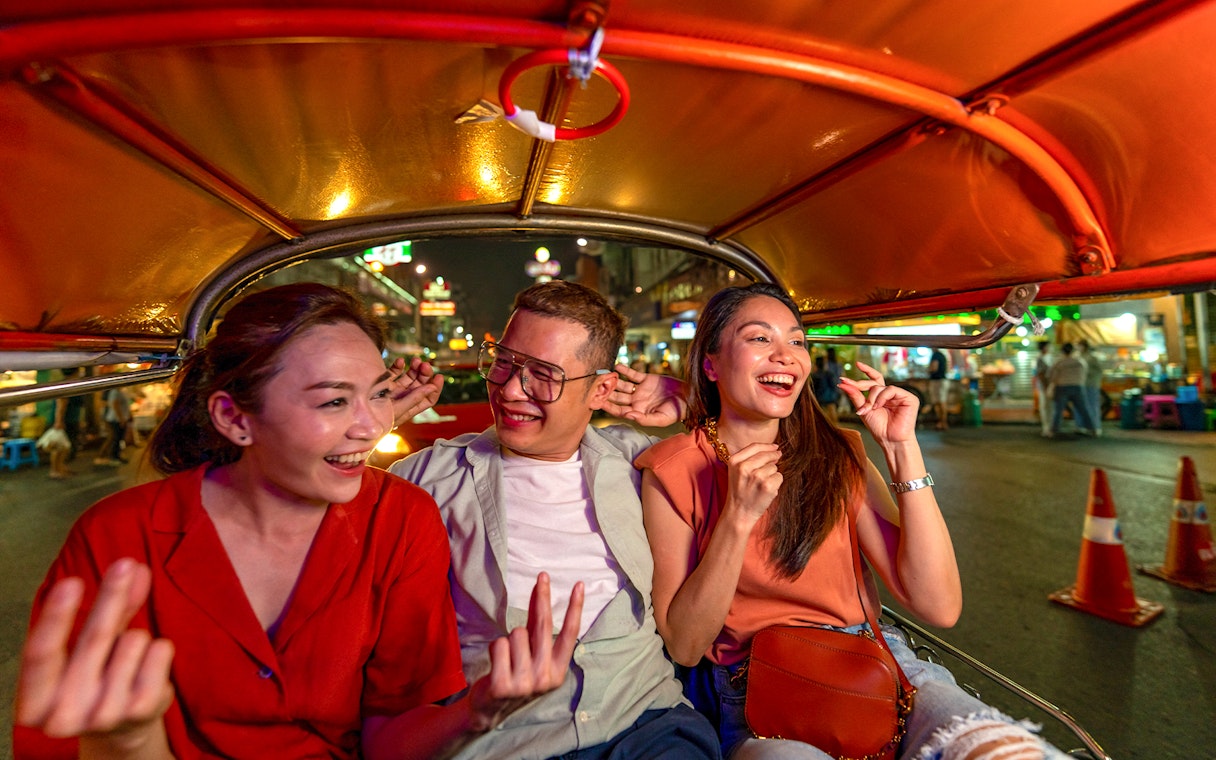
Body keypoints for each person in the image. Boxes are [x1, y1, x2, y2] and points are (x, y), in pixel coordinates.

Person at [14, 283, 582, 760]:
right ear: (234, 418)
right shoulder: (118, 536)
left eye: (378, 395)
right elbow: (58, 736)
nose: (371, 427)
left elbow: (389, 736)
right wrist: (129, 742)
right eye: (333, 402)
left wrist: (477, 710)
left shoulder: (401, 519)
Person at [636, 282, 1067, 760]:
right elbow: (686, 645)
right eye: (759, 338)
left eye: (796, 341)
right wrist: (738, 518)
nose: (785, 355)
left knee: (1005, 749)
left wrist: (902, 449)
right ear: (711, 364)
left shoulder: (836, 453)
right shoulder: (672, 469)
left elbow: (939, 606)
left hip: (874, 665)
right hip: (756, 691)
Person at [389, 280, 721, 760]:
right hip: (509, 739)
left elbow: (776, 466)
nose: (509, 390)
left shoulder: (640, 460)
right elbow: (312, 509)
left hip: (647, 725)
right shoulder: (431, 477)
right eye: (503, 362)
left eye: (543, 375)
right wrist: (371, 420)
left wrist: (694, 400)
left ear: (601, 389)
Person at [1046, 342, 1098, 437]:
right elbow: (1084, 373)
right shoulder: (1080, 362)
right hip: (1078, 387)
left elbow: (1051, 376)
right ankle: (1093, 429)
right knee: (1083, 409)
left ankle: (1053, 430)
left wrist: (1052, 385)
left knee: (1058, 410)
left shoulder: (1059, 362)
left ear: (1062, 351)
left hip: (1062, 387)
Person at [94, 385, 132, 466]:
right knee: (115, 438)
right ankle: (112, 456)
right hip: (115, 419)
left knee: (117, 438)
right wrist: (121, 418)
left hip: (118, 418)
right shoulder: (115, 392)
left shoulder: (119, 391)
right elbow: (115, 404)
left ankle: (114, 456)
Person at [1077, 340, 1104, 433]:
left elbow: (1099, 371)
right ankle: (1082, 426)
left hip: (1091, 384)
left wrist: (1087, 373)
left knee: (1092, 406)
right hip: (1081, 384)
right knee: (1081, 406)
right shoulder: (1078, 357)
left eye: (1079, 346)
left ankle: (1095, 427)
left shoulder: (1092, 358)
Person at [810, 355, 839, 426]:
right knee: (832, 416)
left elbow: (812, 388)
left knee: (819, 417)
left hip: (818, 398)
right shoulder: (829, 374)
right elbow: (833, 386)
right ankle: (834, 428)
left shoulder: (814, 375)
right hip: (829, 398)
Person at [1033, 342, 1053, 438]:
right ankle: (1046, 428)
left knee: (1049, 407)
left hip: (1049, 386)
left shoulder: (1049, 357)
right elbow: (1040, 374)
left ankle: (1049, 427)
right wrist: (1046, 386)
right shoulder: (1040, 358)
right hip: (1044, 386)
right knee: (1045, 407)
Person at [927, 346, 950, 431]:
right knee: (940, 401)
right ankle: (942, 423)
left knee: (939, 402)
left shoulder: (935, 355)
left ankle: (943, 422)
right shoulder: (942, 355)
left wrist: (928, 370)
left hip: (937, 381)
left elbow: (934, 367)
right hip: (942, 380)